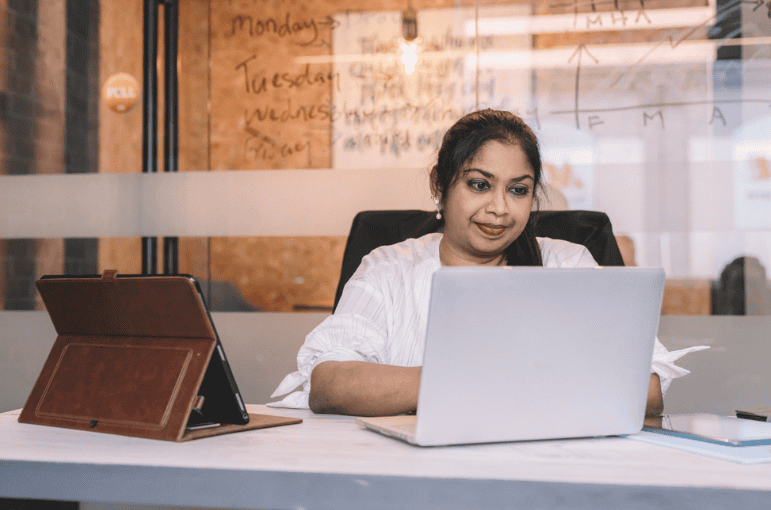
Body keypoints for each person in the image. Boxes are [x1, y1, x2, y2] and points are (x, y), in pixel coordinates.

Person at [271, 109, 700, 417]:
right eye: (479, 185)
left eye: (518, 190)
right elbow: (330, 385)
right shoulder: (388, 268)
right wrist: (490, 380)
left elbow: (646, 389)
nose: (499, 208)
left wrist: (450, 386)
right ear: (441, 185)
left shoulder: (567, 263)